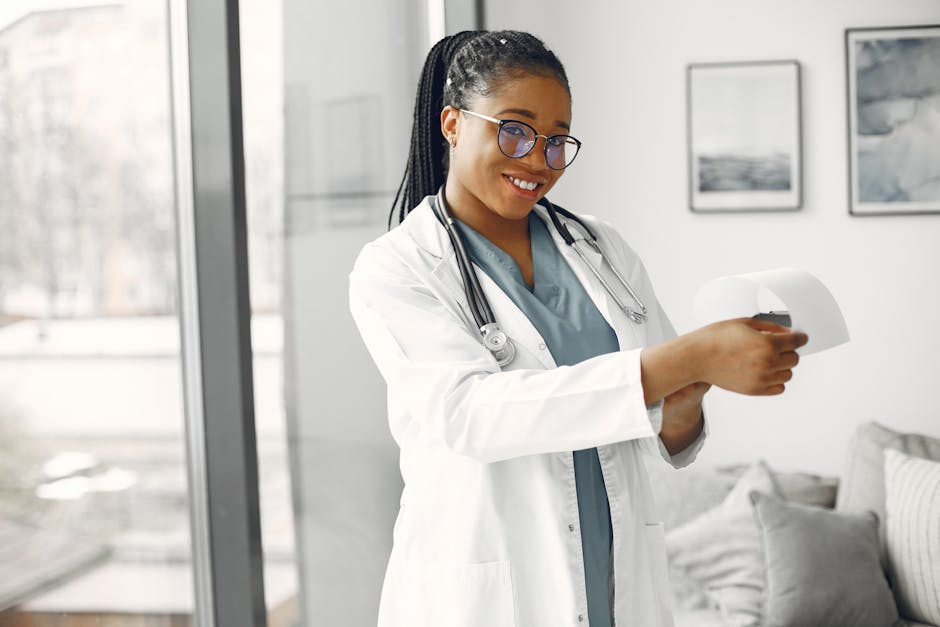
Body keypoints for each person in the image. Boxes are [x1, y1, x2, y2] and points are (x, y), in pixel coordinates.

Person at [349, 30, 807, 627]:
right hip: (490, 591)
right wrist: (686, 360)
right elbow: (471, 414)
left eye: (558, 140)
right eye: (514, 129)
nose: (539, 159)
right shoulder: (398, 266)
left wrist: (689, 397)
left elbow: (660, 426)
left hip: (615, 582)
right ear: (453, 123)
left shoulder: (600, 248)